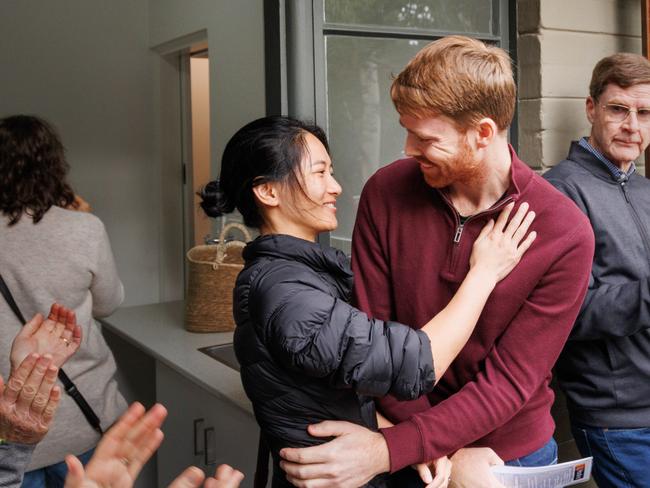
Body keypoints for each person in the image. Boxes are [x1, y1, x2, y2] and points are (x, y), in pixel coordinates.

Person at [278, 35, 596, 488]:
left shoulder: (564, 231)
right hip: (407, 450)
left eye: (425, 137)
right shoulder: (384, 193)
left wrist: (402, 446)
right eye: (406, 130)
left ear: (483, 133)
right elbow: (373, 340)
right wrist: (421, 446)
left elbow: (508, 382)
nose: (408, 148)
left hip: (505, 459)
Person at [200, 115, 536, 487]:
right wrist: (484, 273)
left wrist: (412, 445)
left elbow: (339, 394)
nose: (336, 187)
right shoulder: (286, 293)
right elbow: (415, 364)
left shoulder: (303, 274)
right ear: (268, 192)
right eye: (319, 173)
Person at [0, 114, 127, 487]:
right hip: (81, 415)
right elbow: (108, 303)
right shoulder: (84, 228)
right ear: (54, 167)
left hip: (11, 425)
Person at [544, 52, 650, 488]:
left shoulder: (645, 189)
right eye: (618, 109)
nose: (632, 125)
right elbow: (568, 310)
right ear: (591, 108)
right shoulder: (559, 191)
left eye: (644, 113)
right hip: (618, 415)